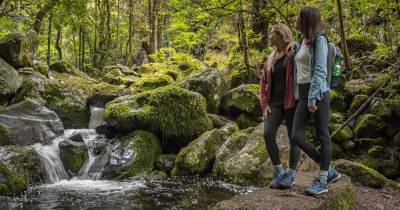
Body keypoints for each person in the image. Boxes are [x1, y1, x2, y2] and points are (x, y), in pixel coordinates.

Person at [278, 6, 341, 195]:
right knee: (296, 135)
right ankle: (328, 170)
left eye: (298, 17)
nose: (295, 19)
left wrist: (313, 97)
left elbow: (320, 70)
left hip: (319, 93)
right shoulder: (302, 41)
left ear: (306, 20)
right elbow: (301, 67)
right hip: (303, 94)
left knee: (323, 134)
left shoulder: (320, 40)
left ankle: (322, 180)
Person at [259, 24, 300, 189]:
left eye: (272, 34)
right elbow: (263, 82)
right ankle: (279, 171)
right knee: (268, 134)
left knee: (294, 137)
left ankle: (291, 174)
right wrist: (264, 104)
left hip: (292, 102)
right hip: (274, 104)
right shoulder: (271, 57)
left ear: (281, 35)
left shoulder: (294, 51)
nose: (269, 36)